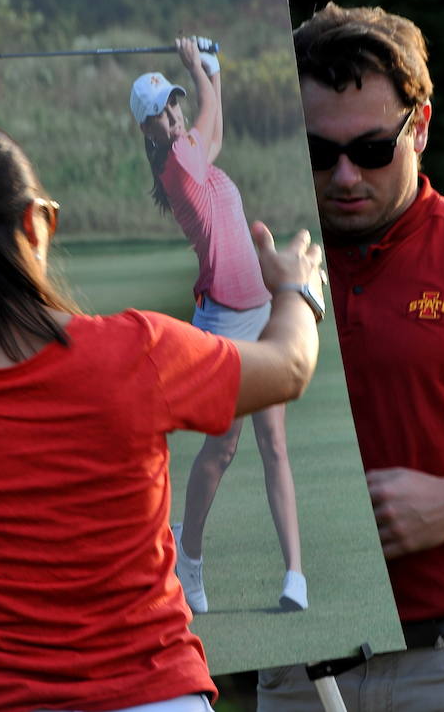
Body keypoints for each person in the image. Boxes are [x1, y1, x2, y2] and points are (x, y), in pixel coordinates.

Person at [0, 117, 326, 712]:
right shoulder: (135, 351)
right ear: (36, 223)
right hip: (150, 696)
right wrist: (297, 288)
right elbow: (289, 367)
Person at [257, 2, 444, 711]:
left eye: (372, 149)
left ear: (419, 125)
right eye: (319, 154)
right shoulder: (247, 270)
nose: (345, 176)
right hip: (298, 664)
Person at [130, 37, 318, 615]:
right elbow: (210, 127)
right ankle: (189, 558)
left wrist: (213, 72)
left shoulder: (195, 150)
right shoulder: (174, 162)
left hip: (263, 310)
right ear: (150, 128)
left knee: (274, 442)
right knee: (223, 447)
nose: (172, 114)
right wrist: (201, 68)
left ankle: (294, 577)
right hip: (223, 325)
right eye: (162, 112)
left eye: (175, 103)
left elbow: (215, 129)